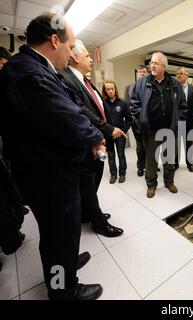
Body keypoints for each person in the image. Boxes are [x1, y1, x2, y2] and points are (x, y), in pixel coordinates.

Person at [0, 13, 104, 300]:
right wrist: (96, 137)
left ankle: (65, 265)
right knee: (59, 234)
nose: (71, 55)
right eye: (70, 47)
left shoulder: (30, 67)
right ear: (54, 40)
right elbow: (66, 117)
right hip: (48, 174)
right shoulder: (30, 74)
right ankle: (63, 289)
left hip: (44, 169)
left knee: (61, 232)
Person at [59, 39, 124, 238]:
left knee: (93, 181)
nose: (91, 60)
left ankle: (88, 213)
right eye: (87, 55)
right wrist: (107, 129)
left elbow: (97, 106)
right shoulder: (66, 78)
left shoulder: (84, 80)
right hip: (87, 142)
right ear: (75, 57)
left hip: (98, 140)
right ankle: (98, 223)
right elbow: (82, 110)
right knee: (87, 184)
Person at [131, 52, 187, 198]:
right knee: (151, 161)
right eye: (151, 63)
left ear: (164, 66)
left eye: (156, 63)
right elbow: (134, 104)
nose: (152, 65)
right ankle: (151, 185)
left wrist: (177, 121)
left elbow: (183, 105)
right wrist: (142, 119)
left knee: (169, 160)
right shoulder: (142, 83)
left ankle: (169, 182)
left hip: (170, 130)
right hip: (151, 130)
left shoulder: (174, 84)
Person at [102, 79, 133, 183]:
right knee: (111, 156)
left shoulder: (122, 103)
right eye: (108, 89)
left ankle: (122, 174)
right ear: (105, 90)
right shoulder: (102, 104)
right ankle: (113, 174)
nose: (110, 91)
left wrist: (121, 131)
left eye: (112, 89)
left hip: (120, 135)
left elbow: (129, 120)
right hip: (108, 135)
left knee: (121, 155)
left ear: (115, 89)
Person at [174, 67, 193, 172]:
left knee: (188, 143)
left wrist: (189, 113)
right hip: (176, 121)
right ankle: (175, 164)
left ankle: (189, 163)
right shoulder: (173, 88)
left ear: (186, 75)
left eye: (181, 73)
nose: (179, 76)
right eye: (177, 74)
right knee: (176, 144)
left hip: (189, 121)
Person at [125, 65, 149, 177]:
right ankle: (141, 167)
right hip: (137, 123)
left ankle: (151, 165)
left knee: (150, 145)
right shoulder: (129, 87)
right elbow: (127, 106)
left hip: (150, 122)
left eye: (144, 71)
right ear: (137, 74)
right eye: (140, 72)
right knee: (140, 146)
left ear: (148, 73)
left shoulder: (152, 86)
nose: (142, 73)